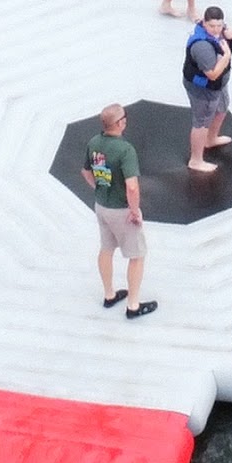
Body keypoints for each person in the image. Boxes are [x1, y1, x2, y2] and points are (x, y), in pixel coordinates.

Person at [81, 104, 155, 319]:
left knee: (106, 248)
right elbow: (132, 186)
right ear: (119, 123)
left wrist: (99, 188)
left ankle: (109, 294)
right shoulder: (125, 150)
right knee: (137, 255)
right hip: (121, 210)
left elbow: (86, 171)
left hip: (101, 206)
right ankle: (133, 305)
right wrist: (134, 211)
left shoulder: (94, 143)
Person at [182, 7, 232, 172]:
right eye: (212, 26)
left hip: (219, 85)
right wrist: (227, 56)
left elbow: (228, 32)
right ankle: (195, 160)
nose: (216, 30)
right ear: (204, 23)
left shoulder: (220, 31)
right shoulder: (202, 47)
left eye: (219, 26)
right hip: (203, 89)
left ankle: (211, 139)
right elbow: (212, 74)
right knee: (202, 122)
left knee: (221, 108)